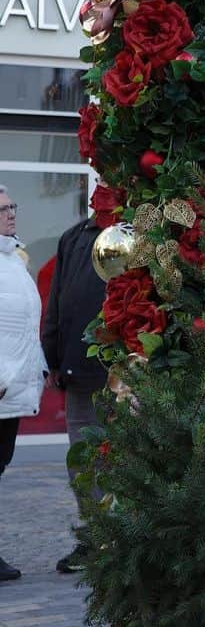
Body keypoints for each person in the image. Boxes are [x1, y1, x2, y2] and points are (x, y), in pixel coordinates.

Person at [41, 213, 108, 573]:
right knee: (82, 460)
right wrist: (52, 356)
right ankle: (94, 537)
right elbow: (58, 302)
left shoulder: (138, 231)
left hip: (126, 371)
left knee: (122, 458)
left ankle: (126, 539)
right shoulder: (73, 237)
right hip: (79, 370)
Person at [0, 186, 49, 581]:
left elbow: (28, 327)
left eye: (13, 205)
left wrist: (40, 368)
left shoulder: (15, 260)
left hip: (12, 388)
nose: (11, 213)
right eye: (3, 209)